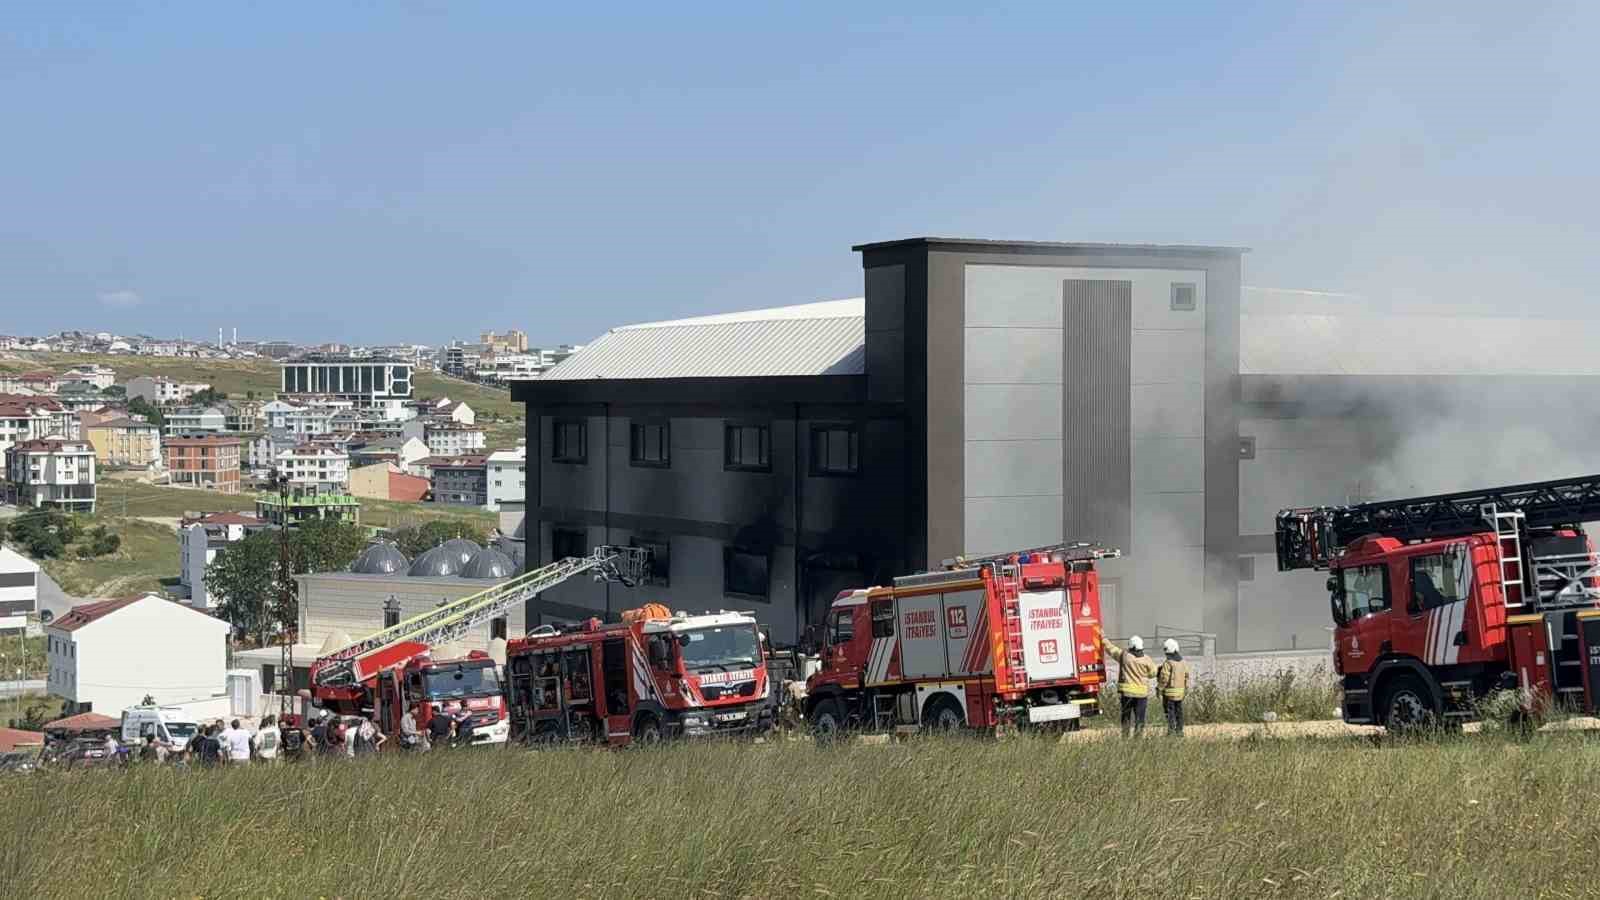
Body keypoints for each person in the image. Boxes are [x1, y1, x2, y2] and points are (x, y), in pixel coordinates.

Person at [1097, 630, 1155, 737]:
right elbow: (1153, 673)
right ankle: (1138, 738)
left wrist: (1103, 637)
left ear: (1131, 646)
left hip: (1127, 694)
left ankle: (1125, 737)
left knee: (1126, 717)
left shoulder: (1124, 656)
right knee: (1139, 718)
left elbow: (1111, 649)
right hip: (1141, 695)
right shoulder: (1147, 659)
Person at [1157, 638, 1191, 737]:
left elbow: (1164, 678)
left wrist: (1159, 689)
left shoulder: (1168, 663)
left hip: (1169, 694)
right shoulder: (1183, 662)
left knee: (1170, 712)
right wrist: (1186, 689)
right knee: (1179, 712)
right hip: (1180, 694)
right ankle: (1179, 731)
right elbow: (1187, 677)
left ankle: (1171, 731)